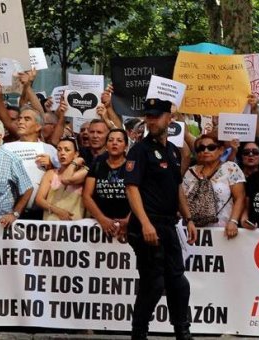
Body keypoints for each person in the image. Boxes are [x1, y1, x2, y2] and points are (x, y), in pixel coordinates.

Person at [123, 98, 197, 340]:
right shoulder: (139, 150)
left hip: (168, 225)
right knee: (153, 283)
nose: (151, 120)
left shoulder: (172, 151)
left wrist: (188, 218)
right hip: (147, 223)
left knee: (178, 281)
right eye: (149, 115)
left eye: (157, 115)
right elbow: (131, 188)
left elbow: (176, 188)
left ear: (169, 118)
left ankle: (182, 330)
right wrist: (144, 223)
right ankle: (139, 332)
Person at [183, 133, 245, 239]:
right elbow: (183, 199)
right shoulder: (190, 172)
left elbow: (240, 198)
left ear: (221, 150)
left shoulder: (231, 168)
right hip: (193, 229)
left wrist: (233, 221)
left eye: (211, 148)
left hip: (223, 230)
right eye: (201, 148)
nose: (205, 151)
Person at [83, 128, 131, 240]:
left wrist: (129, 220)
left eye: (119, 140)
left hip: (126, 226)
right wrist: (102, 219)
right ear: (106, 144)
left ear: (126, 146)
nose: (114, 143)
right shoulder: (98, 163)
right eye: (111, 140)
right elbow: (86, 196)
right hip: (98, 225)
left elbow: (140, 196)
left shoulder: (132, 166)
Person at [35, 137, 88, 220]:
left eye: (67, 150)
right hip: (51, 224)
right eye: (59, 150)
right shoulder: (50, 173)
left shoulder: (84, 171)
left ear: (76, 154)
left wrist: (74, 163)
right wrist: (58, 211)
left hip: (75, 226)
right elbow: (39, 199)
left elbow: (66, 179)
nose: (62, 153)